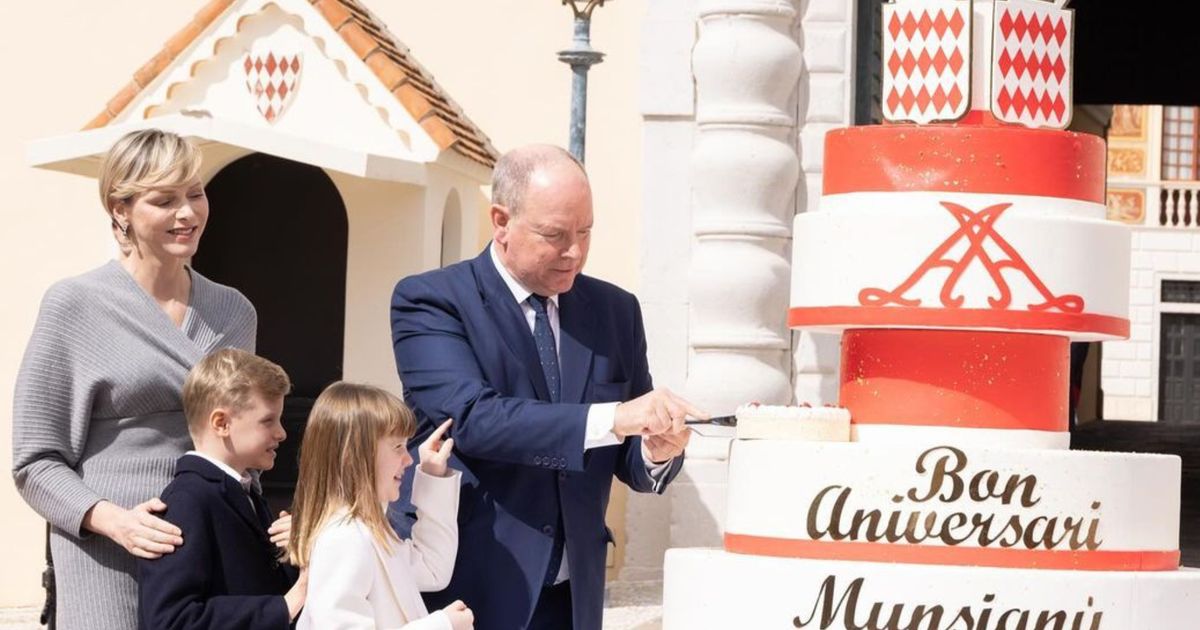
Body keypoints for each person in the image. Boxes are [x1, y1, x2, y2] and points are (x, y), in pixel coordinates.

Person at [389, 144, 704, 630]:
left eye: (585, 232)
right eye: (555, 235)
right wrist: (615, 417)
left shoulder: (615, 311)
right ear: (501, 222)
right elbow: (473, 419)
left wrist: (655, 451)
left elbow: (627, 452)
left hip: (573, 597)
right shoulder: (432, 301)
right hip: (469, 589)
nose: (574, 252)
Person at [10, 129, 273, 629]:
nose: (188, 213)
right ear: (120, 210)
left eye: (195, 194)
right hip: (108, 558)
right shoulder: (75, 305)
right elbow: (35, 462)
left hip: (214, 551)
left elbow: (243, 445)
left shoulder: (234, 312)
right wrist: (115, 522)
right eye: (164, 200)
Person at [137, 348, 306, 628]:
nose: (281, 433)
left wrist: (300, 552)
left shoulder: (245, 495)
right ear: (221, 423)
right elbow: (171, 621)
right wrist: (285, 605)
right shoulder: (187, 501)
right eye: (268, 420)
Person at [290, 382, 473, 630]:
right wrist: (442, 625)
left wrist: (432, 477)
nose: (408, 459)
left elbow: (432, 570)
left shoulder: (368, 530)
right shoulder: (344, 537)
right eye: (397, 446)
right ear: (354, 454)